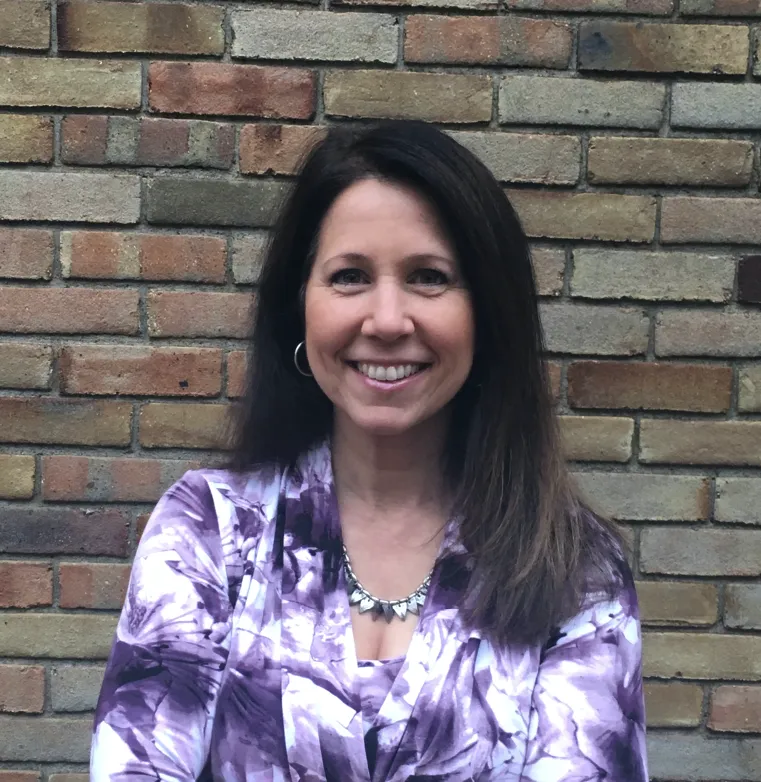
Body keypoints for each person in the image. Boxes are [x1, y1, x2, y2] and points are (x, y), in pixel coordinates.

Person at [90, 120, 647, 781]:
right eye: (350, 276)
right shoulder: (209, 533)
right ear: (301, 305)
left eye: (428, 277)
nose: (386, 320)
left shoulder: (573, 567)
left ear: (488, 314)